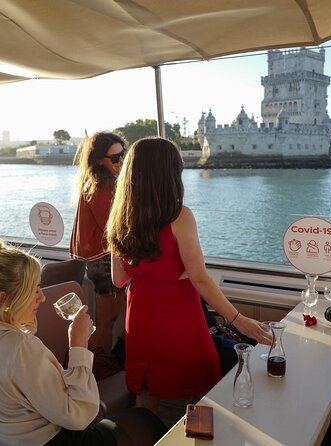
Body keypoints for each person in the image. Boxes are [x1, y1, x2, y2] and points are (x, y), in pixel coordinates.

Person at [106, 137, 272, 414]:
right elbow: (200, 279)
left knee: (146, 397)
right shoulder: (180, 216)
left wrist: (148, 270)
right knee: (197, 397)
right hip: (179, 317)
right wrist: (239, 320)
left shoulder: (120, 217)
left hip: (140, 317)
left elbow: (118, 279)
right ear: (169, 174)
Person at [0, 236, 165, 446]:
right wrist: (78, 345)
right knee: (146, 421)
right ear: (2, 300)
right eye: (33, 290)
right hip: (51, 440)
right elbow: (79, 417)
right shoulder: (20, 348)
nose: (42, 297)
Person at [70, 131, 128, 378]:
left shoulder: (92, 180)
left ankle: (99, 364)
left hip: (98, 259)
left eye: (122, 155)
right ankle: (98, 369)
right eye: (114, 158)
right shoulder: (103, 183)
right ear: (99, 159)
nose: (120, 162)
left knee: (107, 318)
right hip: (104, 260)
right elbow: (111, 224)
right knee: (106, 320)